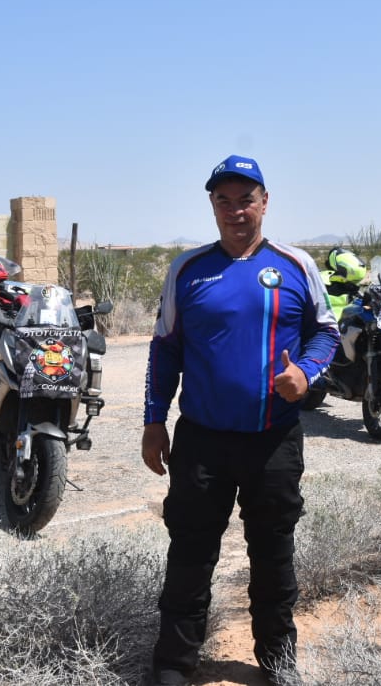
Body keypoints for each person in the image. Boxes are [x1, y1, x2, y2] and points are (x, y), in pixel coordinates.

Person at [142, 154, 340, 686]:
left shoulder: (296, 265)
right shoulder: (188, 269)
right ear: (212, 205)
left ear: (264, 202)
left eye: (245, 199)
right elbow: (165, 349)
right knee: (190, 554)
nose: (235, 210)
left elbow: (326, 333)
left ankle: (277, 662)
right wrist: (154, 419)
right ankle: (173, 666)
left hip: (273, 441)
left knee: (273, 555)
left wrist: (306, 371)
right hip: (202, 441)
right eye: (223, 200)